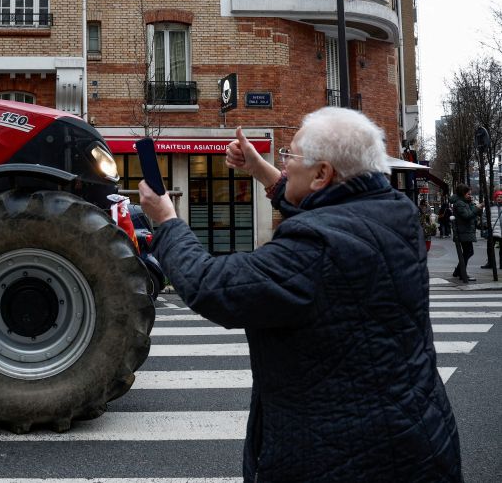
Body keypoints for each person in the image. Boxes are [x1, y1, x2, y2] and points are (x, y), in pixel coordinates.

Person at [137, 107, 461, 482]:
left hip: (345, 457)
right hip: (417, 435)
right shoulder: (394, 211)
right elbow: (326, 208)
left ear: (323, 173)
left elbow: (211, 286)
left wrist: (167, 220)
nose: (284, 164)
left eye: (290, 156)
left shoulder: (314, 248)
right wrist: (261, 172)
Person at [451, 183, 482, 283]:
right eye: (468, 194)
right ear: (462, 194)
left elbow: (472, 214)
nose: (470, 195)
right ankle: (461, 273)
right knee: (468, 252)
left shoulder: (465, 202)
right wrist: (476, 208)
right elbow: (467, 216)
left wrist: (475, 207)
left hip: (466, 231)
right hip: (463, 232)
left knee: (467, 252)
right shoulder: (460, 203)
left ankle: (459, 271)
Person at [480, 189, 502, 269]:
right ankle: (490, 263)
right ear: (495, 197)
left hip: (501, 230)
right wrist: (486, 225)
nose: (499, 198)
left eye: (501, 197)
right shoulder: (490, 206)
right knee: (490, 248)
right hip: (492, 230)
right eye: (498, 197)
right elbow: (484, 217)